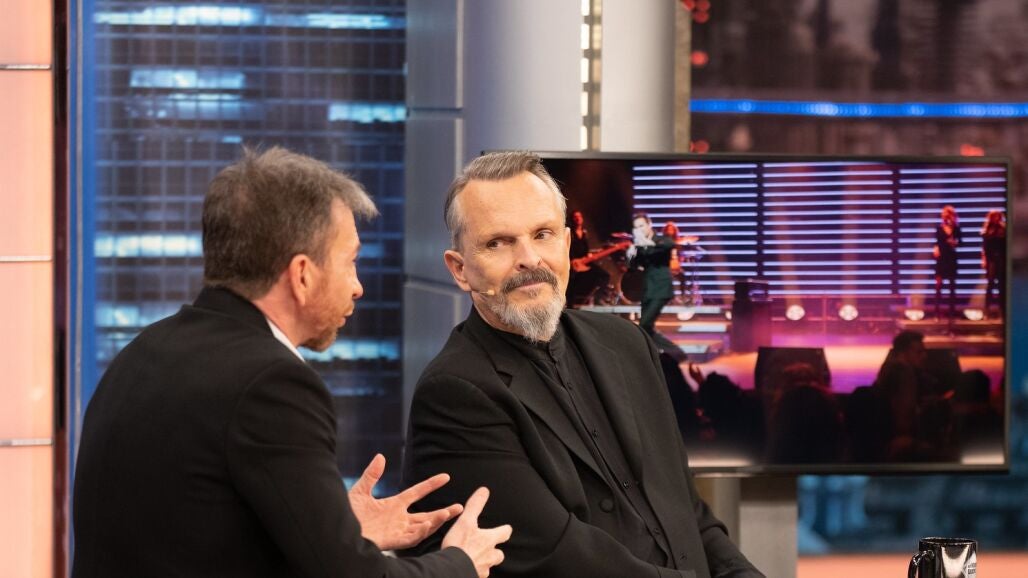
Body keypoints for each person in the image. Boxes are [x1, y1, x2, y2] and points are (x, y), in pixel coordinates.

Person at [72, 147, 511, 578]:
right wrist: (460, 563)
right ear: (302, 275)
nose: (357, 287)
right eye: (350, 262)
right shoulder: (272, 384)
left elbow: (194, 530)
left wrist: (336, 526)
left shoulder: (146, 350)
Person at [402, 151, 763, 578]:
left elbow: (688, 511)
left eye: (542, 234)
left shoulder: (628, 344)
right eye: (498, 242)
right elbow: (565, 560)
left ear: (567, 244)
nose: (529, 259)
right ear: (460, 270)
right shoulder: (454, 393)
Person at [627, 212, 675, 336]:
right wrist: (631, 254)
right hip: (648, 289)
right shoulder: (639, 246)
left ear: (649, 224)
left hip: (661, 288)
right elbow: (632, 266)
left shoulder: (662, 240)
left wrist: (646, 243)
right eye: (636, 228)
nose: (639, 230)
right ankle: (661, 348)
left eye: (641, 226)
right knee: (647, 330)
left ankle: (670, 351)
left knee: (644, 325)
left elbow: (669, 244)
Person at [566, 210, 611, 305]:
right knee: (572, 281)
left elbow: (585, 249)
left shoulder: (585, 232)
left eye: (579, 216)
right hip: (573, 263)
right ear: (572, 219)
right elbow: (566, 248)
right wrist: (571, 260)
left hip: (585, 262)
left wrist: (591, 254)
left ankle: (597, 298)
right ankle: (571, 304)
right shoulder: (569, 232)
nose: (578, 218)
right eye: (575, 217)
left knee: (605, 275)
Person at [933, 205, 961, 321]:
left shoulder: (956, 229)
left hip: (951, 258)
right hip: (941, 259)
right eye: (944, 215)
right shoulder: (939, 228)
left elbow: (961, 242)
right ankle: (937, 313)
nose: (945, 217)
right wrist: (935, 248)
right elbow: (937, 242)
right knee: (938, 285)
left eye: (948, 215)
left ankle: (952, 313)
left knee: (952, 286)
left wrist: (955, 242)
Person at [980, 209, 1006, 319]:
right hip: (991, 260)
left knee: (1001, 286)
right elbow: (984, 247)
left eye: (998, 216)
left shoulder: (1003, 229)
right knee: (990, 284)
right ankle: (987, 310)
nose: (996, 219)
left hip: (1001, 259)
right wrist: (984, 259)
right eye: (994, 217)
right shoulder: (987, 230)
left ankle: (1002, 310)